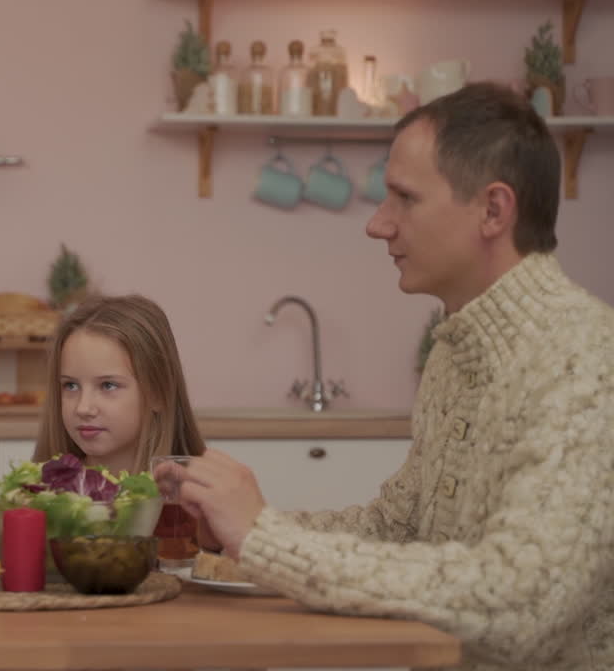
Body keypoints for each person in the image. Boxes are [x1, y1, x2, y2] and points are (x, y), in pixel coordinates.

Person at [155, 82, 614, 671]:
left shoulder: (585, 358)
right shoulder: (456, 352)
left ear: (494, 210)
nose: (377, 224)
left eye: (404, 198)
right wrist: (240, 528)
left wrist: (267, 542)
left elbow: (521, 606)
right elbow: (398, 528)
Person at [33, 294, 206, 475]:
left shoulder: (195, 497)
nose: (83, 408)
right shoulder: (34, 494)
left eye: (107, 385)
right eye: (71, 386)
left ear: (158, 393)